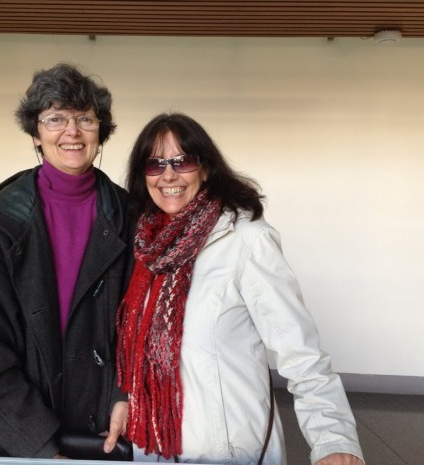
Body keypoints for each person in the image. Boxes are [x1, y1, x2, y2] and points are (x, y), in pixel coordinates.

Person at [116, 112, 365, 465]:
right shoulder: (144, 251)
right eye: (155, 164)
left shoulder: (246, 242)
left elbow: (300, 352)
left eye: (182, 161)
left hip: (229, 452)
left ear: (205, 168)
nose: (168, 174)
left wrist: (333, 440)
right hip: (154, 449)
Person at [0, 63, 133, 459]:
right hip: (15, 436)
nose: (71, 131)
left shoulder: (129, 215)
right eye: (55, 118)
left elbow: (139, 326)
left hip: (103, 428)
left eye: (85, 118)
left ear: (101, 131)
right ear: (35, 133)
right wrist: (41, 449)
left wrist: (125, 395)